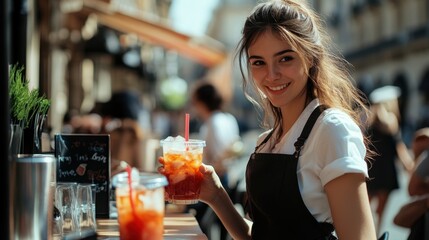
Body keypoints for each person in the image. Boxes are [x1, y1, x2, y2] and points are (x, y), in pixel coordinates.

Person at [159, 0, 377, 239]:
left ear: (312, 57)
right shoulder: (267, 140)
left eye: (285, 59)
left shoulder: (332, 129)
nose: (271, 75)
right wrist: (215, 195)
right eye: (259, 63)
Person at [189, 81, 241, 239]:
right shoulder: (228, 118)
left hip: (215, 180)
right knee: (224, 228)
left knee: (206, 226)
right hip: (231, 178)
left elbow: (219, 159)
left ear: (200, 102)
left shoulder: (213, 122)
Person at [365, 85, 414, 232]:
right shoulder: (391, 121)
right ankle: (376, 234)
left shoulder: (368, 121)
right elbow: (399, 147)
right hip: (387, 172)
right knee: (380, 212)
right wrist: (410, 167)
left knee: (366, 209)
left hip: (371, 169)